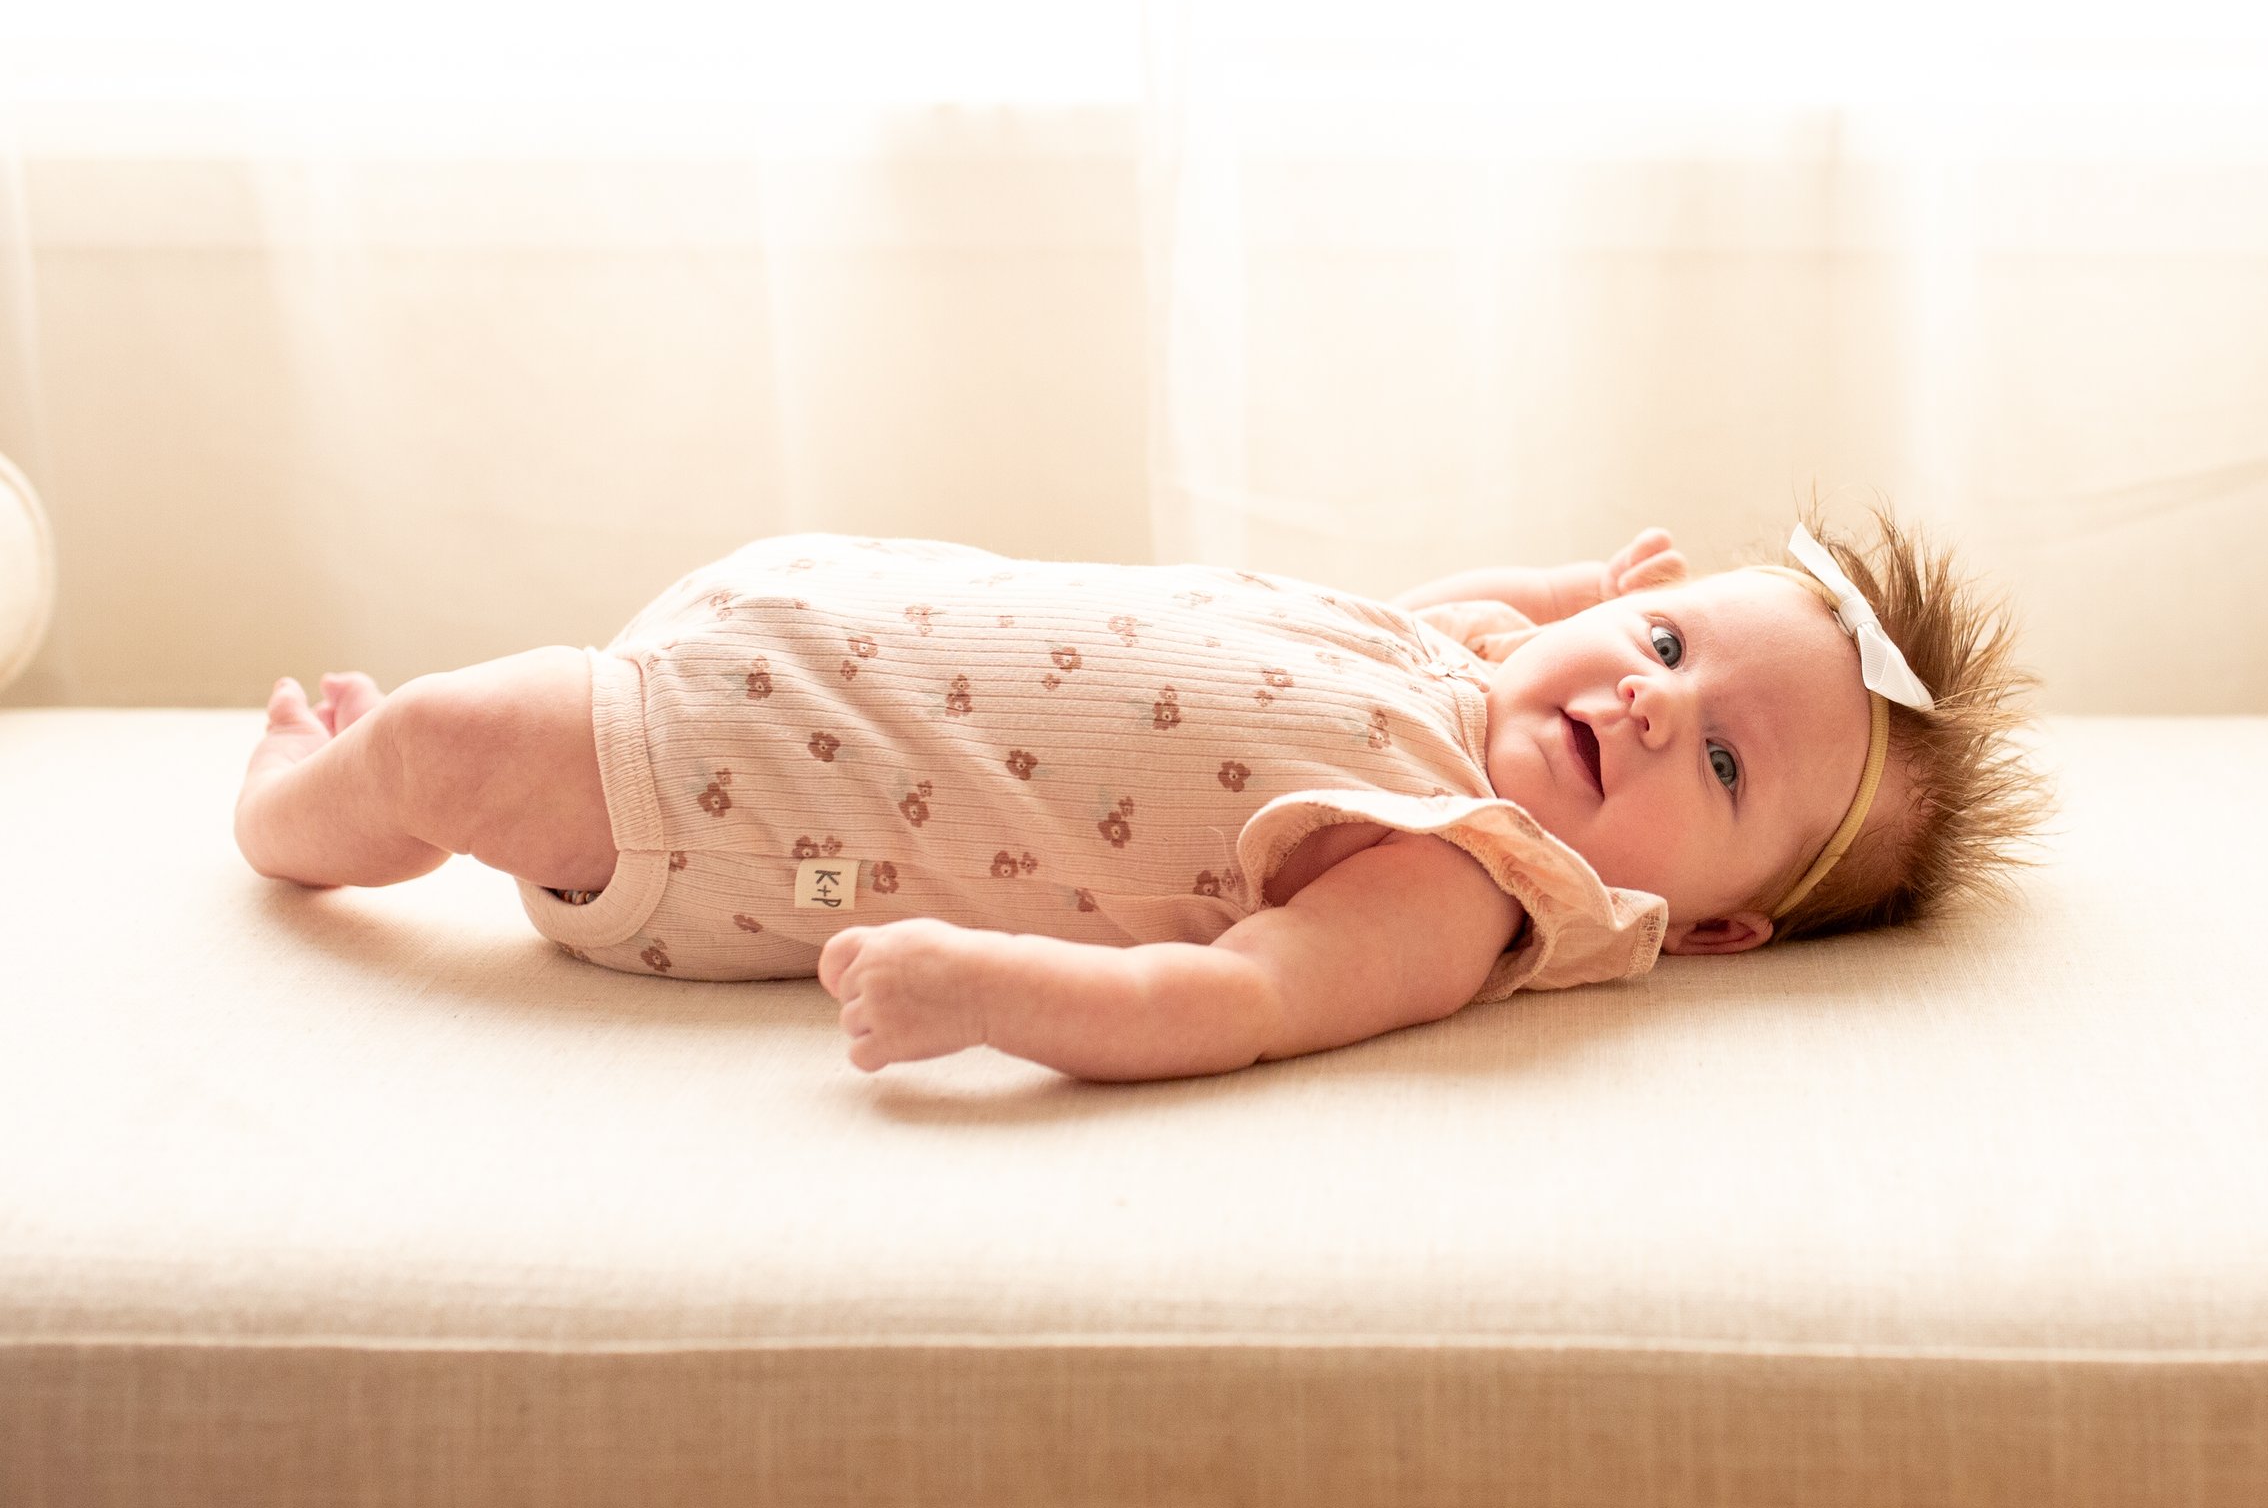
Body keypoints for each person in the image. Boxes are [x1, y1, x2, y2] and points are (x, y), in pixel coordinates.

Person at [234, 503, 2052, 1082]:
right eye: (1666, 646)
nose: (1654, 711)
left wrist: (990, 993)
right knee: (489, 713)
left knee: (444, 747)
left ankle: (297, 811)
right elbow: (1476, 620)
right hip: (778, 635)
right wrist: (1593, 595)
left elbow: (1237, 999)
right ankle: (361, 779)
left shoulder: (1458, 870)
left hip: (731, 795)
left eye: (1723, 761)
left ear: (1715, 922)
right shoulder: (1464, 668)